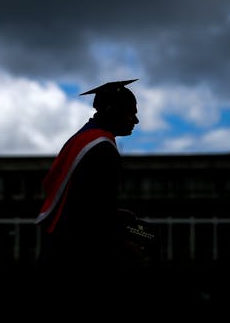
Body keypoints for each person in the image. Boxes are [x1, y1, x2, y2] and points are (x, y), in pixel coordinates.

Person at [35, 79, 153, 273]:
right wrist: (123, 245)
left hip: (57, 248)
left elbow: (82, 200)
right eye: (131, 112)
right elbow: (94, 214)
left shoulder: (81, 139)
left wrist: (115, 213)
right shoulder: (102, 149)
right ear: (111, 109)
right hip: (77, 257)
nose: (136, 120)